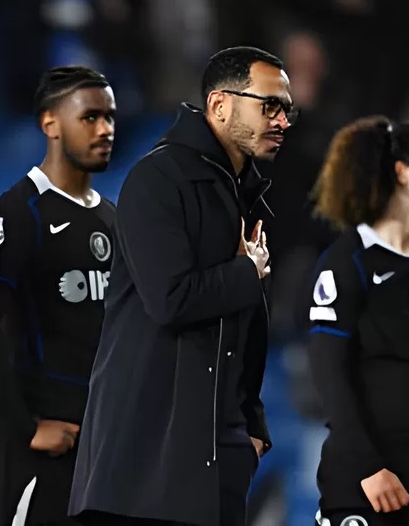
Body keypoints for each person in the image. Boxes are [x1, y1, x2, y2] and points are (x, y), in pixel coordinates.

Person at [69, 46, 296, 526]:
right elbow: (170, 300)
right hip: (144, 466)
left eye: (287, 110)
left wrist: (251, 424)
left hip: (215, 456)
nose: (282, 121)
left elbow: (245, 326)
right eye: (270, 105)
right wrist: (246, 272)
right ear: (220, 105)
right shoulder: (158, 179)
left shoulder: (244, 193)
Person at [0, 66, 117, 526]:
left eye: (110, 117)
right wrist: (25, 425)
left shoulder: (111, 217)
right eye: (90, 117)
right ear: (51, 124)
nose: (105, 129)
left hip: (104, 441)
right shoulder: (20, 211)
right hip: (48, 443)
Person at [306, 116, 409, 526]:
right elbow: (328, 367)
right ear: (402, 172)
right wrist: (367, 465)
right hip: (365, 476)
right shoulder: (348, 261)